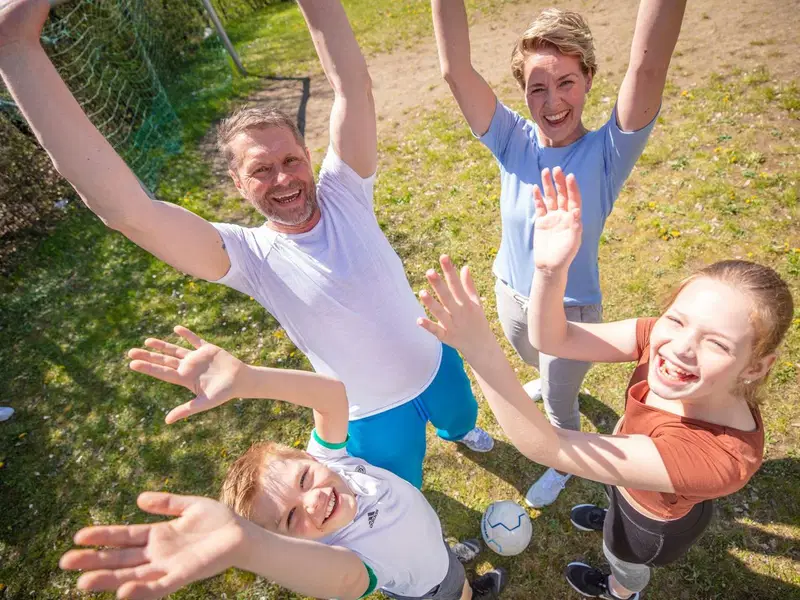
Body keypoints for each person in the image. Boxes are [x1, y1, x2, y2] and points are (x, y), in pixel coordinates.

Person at [0, 0, 493, 489]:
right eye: (261, 170)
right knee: (403, 490)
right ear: (238, 185)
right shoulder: (248, 256)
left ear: (307, 155)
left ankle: (463, 432)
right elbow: (130, 213)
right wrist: (16, 48)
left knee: (462, 416)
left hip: (437, 360)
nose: (283, 179)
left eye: (291, 161)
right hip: (370, 414)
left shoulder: (346, 192)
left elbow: (353, 88)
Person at [415, 169, 793, 599]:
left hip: (650, 523)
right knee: (616, 501)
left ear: (756, 367)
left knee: (622, 554)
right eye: (677, 319)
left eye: (717, 344)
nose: (680, 349)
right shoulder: (663, 339)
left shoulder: (719, 457)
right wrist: (549, 270)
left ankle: (619, 590)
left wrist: (478, 349)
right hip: (629, 479)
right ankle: (611, 514)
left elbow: (549, 447)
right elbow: (553, 338)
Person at [431, 0, 687, 507]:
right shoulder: (511, 139)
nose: (552, 103)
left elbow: (649, 64)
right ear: (523, 92)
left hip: (571, 314)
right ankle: (547, 384)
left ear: (589, 78)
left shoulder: (608, 152)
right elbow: (455, 70)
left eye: (566, 82)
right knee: (533, 361)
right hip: (511, 294)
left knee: (560, 404)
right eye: (537, 88)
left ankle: (560, 459)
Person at [59, 325, 508, 600]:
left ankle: (460, 570)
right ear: (292, 541)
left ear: (310, 458)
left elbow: (331, 395)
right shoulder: (340, 555)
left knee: (447, 560)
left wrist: (251, 379)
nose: (312, 501)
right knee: (452, 589)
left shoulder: (333, 460)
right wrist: (246, 545)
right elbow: (345, 583)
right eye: (292, 518)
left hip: (433, 548)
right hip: (425, 589)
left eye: (305, 478)